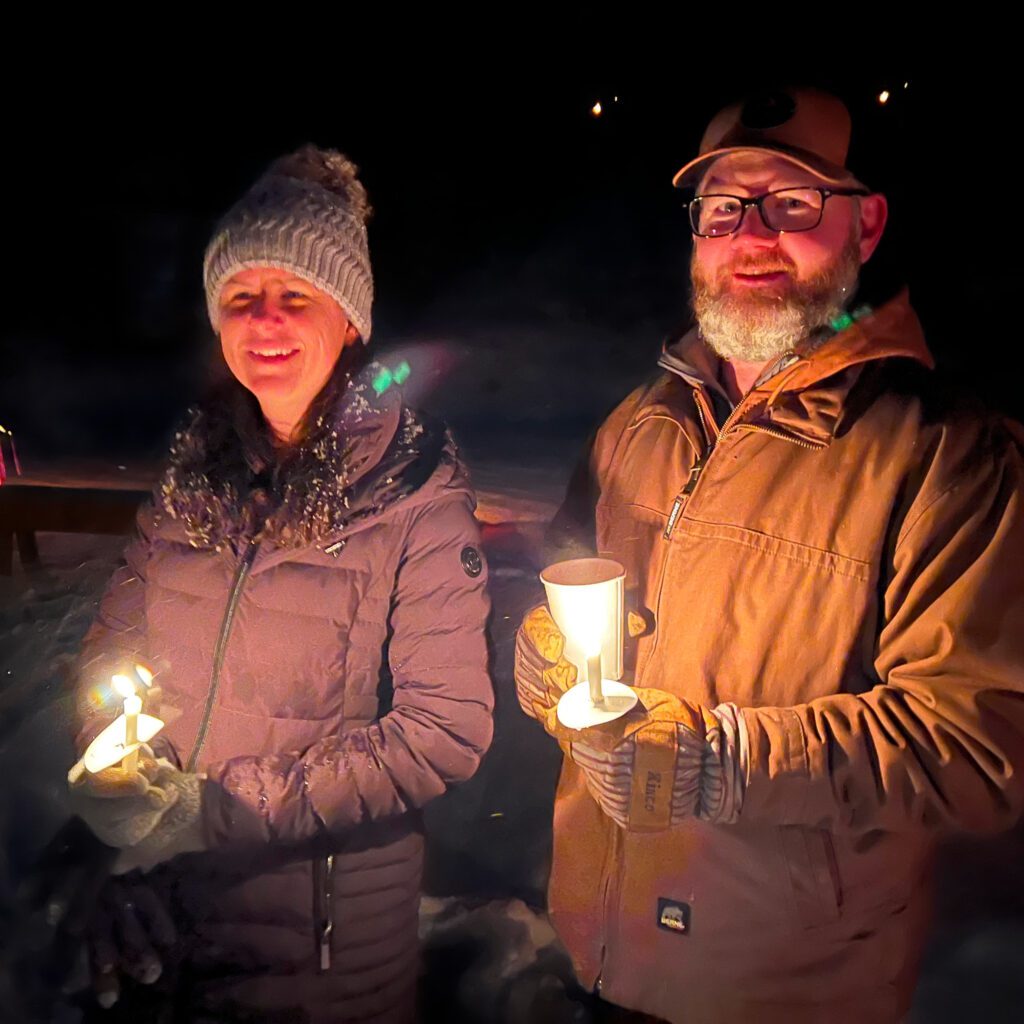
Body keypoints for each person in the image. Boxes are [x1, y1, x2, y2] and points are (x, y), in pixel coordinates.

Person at [515, 86, 1024, 1024]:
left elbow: (979, 745)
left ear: (866, 225)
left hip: (785, 990)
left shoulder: (943, 454)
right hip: (600, 958)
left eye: (792, 204)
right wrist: (547, 657)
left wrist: (722, 761)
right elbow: (568, 567)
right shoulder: (644, 422)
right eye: (723, 207)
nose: (751, 234)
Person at [68, 145, 494, 1023]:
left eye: (295, 296)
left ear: (349, 319)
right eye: (240, 297)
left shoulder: (411, 490)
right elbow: (112, 651)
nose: (265, 322)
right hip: (168, 923)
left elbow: (444, 730)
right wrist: (116, 804)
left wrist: (209, 811)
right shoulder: (195, 479)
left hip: (321, 955)